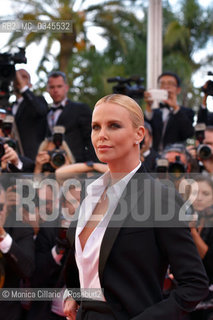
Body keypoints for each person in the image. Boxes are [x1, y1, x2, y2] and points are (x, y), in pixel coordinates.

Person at [63, 93, 208, 320]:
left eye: (113, 126)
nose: (102, 135)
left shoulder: (159, 198)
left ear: (138, 134)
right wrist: (75, 294)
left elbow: (194, 284)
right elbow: (87, 262)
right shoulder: (88, 194)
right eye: (96, 127)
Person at [46, 71, 98, 163]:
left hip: (77, 164)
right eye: (52, 87)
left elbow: (91, 137)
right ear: (47, 89)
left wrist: (91, 164)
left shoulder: (80, 108)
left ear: (66, 88)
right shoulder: (47, 113)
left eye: (59, 86)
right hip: (52, 165)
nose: (55, 90)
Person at [144, 71, 194, 152]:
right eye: (162, 84)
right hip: (154, 158)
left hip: (175, 157)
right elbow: (145, 129)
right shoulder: (155, 112)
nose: (166, 87)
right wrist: (148, 106)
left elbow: (188, 133)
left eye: (170, 83)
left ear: (178, 90)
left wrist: (175, 108)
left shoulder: (187, 112)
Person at [188, 176, 213, 320]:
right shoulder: (189, 217)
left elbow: (210, 261)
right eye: (195, 193)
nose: (199, 198)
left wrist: (192, 233)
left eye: (206, 194)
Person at [12, 69, 48, 160]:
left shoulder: (39, 100)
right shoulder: (9, 106)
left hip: (31, 158)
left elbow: (40, 111)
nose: (18, 79)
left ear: (30, 85)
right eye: (16, 77)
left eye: (24, 77)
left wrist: (23, 88)